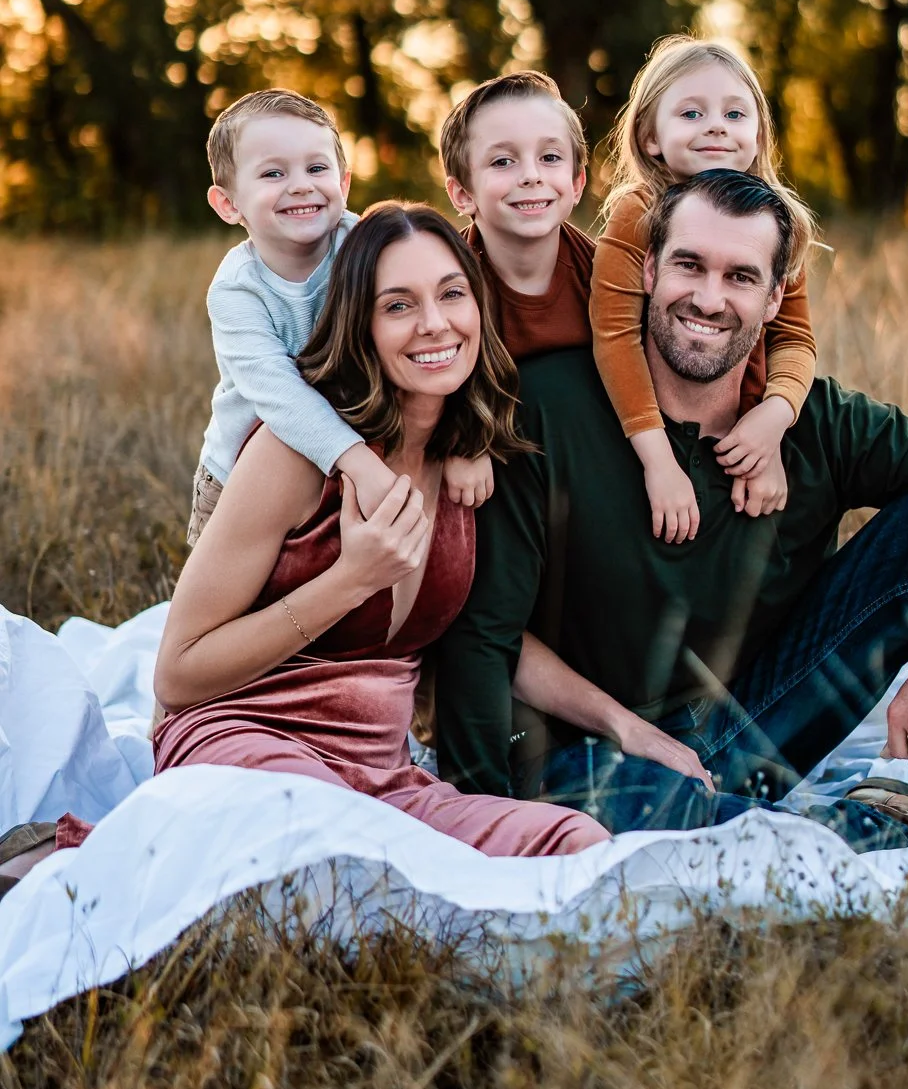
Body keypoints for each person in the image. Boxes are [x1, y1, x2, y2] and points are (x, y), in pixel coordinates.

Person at [434, 169, 908, 851]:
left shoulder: (812, 422)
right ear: (647, 271)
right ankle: (888, 825)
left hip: (746, 723)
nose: (707, 298)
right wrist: (479, 808)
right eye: (689, 266)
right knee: (619, 813)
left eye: (739, 277)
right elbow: (485, 632)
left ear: (773, 301)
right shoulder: (546, 408)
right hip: (590, 749)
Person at [147, 204, 608, 857]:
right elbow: (177, 674)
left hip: (381, 780)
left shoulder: (467, 464)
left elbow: (494, 638)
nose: (434, 323)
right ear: (358, 324)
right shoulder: (297, 453)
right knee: (338, 847)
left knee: (575, 841)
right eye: (398, 306)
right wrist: (349, 581)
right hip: (248, 743)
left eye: (452, 294)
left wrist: (627, 727)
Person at [191, 88, 491, 546]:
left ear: (344, 183)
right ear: (228, 204)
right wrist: (359, 464)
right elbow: (281, 396)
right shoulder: (238, 291)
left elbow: (443, 334)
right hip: (241, 472)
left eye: (316, 168)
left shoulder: (364, 243)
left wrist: (466, 441)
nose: (300, 185)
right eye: (273, 173)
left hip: (357, 447)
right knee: (228, 596)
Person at [593, 37, 818, 540]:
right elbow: (613, 334)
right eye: (692, 113)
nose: (716, 125)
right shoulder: (637, 211)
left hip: (733, 419)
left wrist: (772, 422)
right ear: (651, 137)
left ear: (759, 136)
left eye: (735, 114)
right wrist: (658, 461)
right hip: (654, 422)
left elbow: (795, 339)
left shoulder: (775, 220)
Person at [440, 70, 595, 363]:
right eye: (503, 161)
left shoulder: (607, 278)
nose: (531, 176)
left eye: (549, 157)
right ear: (463, 194)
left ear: (576, 184)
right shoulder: (444, 285)